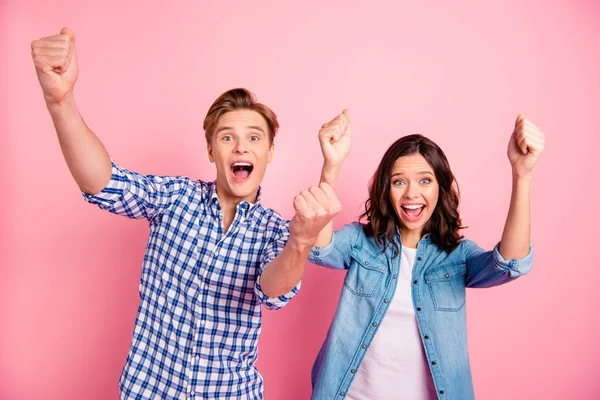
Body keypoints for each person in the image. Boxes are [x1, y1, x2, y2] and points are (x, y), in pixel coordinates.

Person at [31, 27, 341, 399]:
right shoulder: (175, 198)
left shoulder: (277, 231)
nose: (241, 146)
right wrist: (61, 102)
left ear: (270, 152)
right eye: (227, 137)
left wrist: (301, 241)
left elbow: (272, 291)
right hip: (149, 390)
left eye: (254, 138)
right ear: (211, 150)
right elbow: (105, 183)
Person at [309, 111, 545, 399]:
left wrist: (523, 173)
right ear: (386, 190)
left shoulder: (457, 256)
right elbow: (320, 249)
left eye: (424, 181)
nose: (411, 193)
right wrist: (331, 166)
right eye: (399, 182)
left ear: (440, 188)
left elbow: (511, 263)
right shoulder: (361, 242)